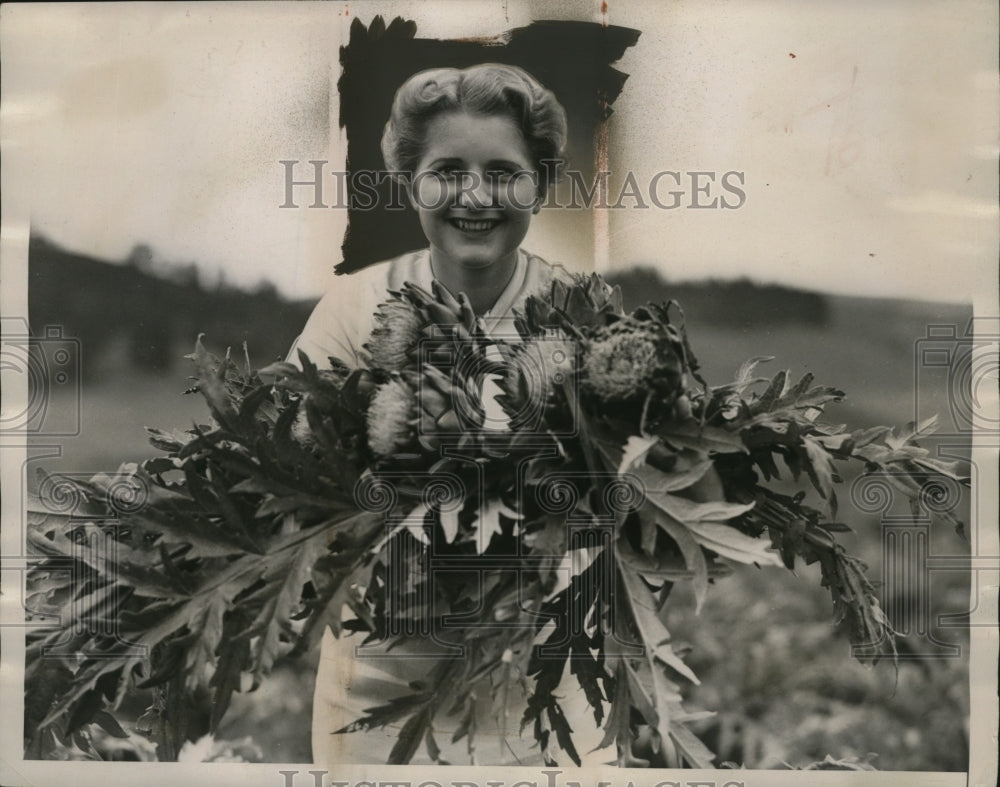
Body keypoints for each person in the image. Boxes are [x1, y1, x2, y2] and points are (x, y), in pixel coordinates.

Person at [294, 63, 605, 766]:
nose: (475, 196)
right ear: (410, 180)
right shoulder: (354, 308)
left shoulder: (585, 315)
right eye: (446, 171)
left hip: (550, 690)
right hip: (376, 691)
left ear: (541, 184)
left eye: (504, 172)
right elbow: (286, 469)